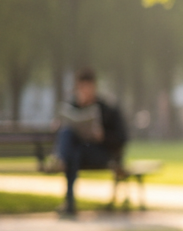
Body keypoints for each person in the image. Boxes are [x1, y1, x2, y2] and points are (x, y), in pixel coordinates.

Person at [54, 68, 128, 217]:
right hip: (78, 153)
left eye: (87, 88)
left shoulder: (107, 108)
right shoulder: (72, 107)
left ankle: (61, 163)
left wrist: (103, 136)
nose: (84, 92)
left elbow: (122, 138)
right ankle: (63, 161)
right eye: (81, 88)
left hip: (101, 153)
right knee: (67, 136)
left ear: (94, 87)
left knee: (73, 154)